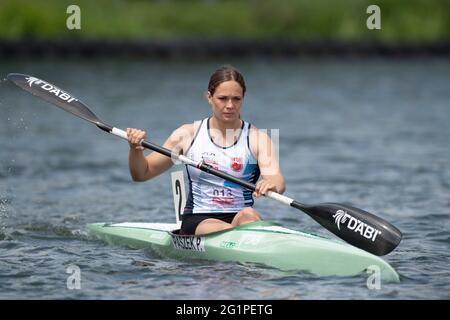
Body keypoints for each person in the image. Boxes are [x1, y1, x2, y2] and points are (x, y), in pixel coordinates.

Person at [127, 65, 285, 235]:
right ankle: (241, 236)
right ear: (209, 97)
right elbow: (142, 173)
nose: (230, 105)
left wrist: (272, 184)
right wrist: (135, 150)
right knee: (241, 229)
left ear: (243, 98)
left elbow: (277, 179)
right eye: (223, 98)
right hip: (199, 219)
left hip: (240, 216)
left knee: (250, 215)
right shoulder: (187, 135)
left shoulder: (258, 138)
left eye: (236, 99)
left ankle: (244, 236)